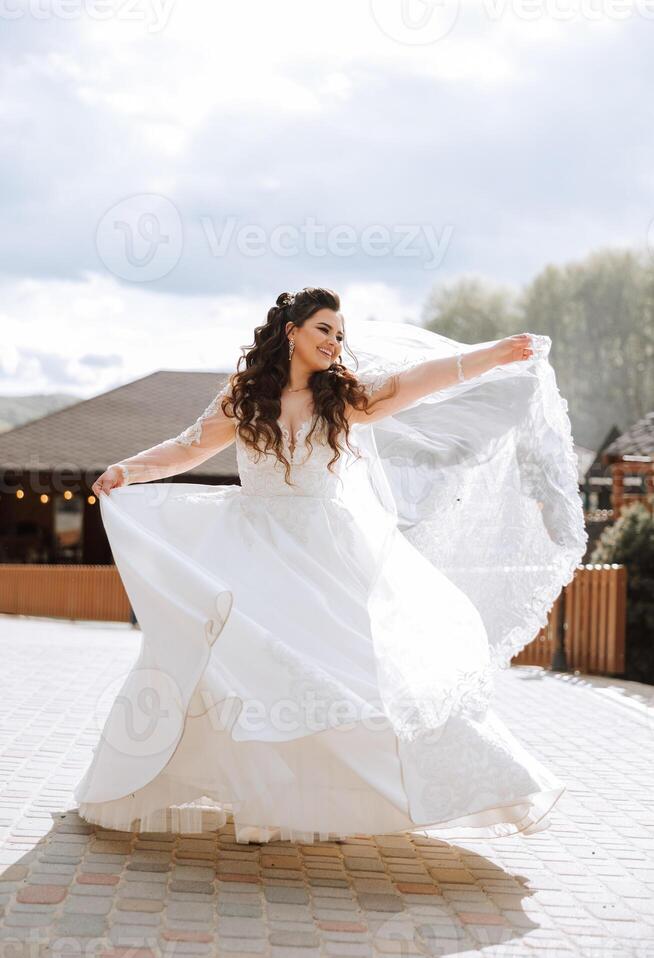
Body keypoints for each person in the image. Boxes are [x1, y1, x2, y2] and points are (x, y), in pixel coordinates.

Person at [74, 286, 587, 844]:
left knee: (348, 668)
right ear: (291, 331)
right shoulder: (243, 396)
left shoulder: (343, 397)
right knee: (248, 665)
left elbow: (416, 381)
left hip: (327, 550)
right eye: (324, 329)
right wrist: (128, 470)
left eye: (340, 334)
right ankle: (261, 797)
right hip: (253, 547)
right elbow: (189, 447)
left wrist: (492, 354)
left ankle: (398, 791)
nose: (334, 341)